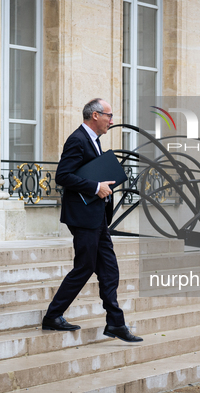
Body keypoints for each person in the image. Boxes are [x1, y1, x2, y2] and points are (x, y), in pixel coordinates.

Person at [42, 98, 143, 343]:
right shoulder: (77, 139)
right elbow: (63, 176)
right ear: (95, 115)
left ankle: (116, 324)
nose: (112, 120)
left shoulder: (93, 141)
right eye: (109, 115)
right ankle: (53, 316)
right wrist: (95, 186)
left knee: (109, 270)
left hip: (97, 217)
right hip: (84, 217)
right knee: (85, 267)